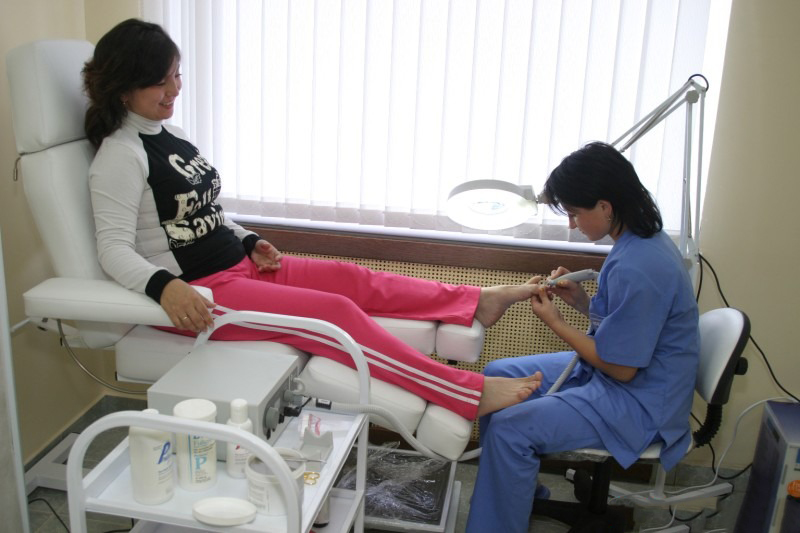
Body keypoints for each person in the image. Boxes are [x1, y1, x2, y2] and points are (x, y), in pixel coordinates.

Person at [83, 18, 542, 421]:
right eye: (160, 81)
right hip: (200, 293)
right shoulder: (120, 155)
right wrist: (166, 287)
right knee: (334, 315)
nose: (175, 89)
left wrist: (248, 241)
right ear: (124, 87)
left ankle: (473, 301)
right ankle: (465, 393)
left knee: (352, 278)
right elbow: (113, 249)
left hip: (239, 266)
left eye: (177, 75)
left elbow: (205, 213)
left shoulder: (173, 135)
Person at [466, 142, 700, 532]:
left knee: (509, 429)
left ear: (605, 206)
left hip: (639, 401)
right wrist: (581, 302)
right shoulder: (638, 241)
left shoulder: (641, 264)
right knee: (498, 375)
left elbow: (622, 368)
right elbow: (629, 325)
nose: (572, 225)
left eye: (575, 213)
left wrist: (557, 323)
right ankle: (518, 493)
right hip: (620, 373)